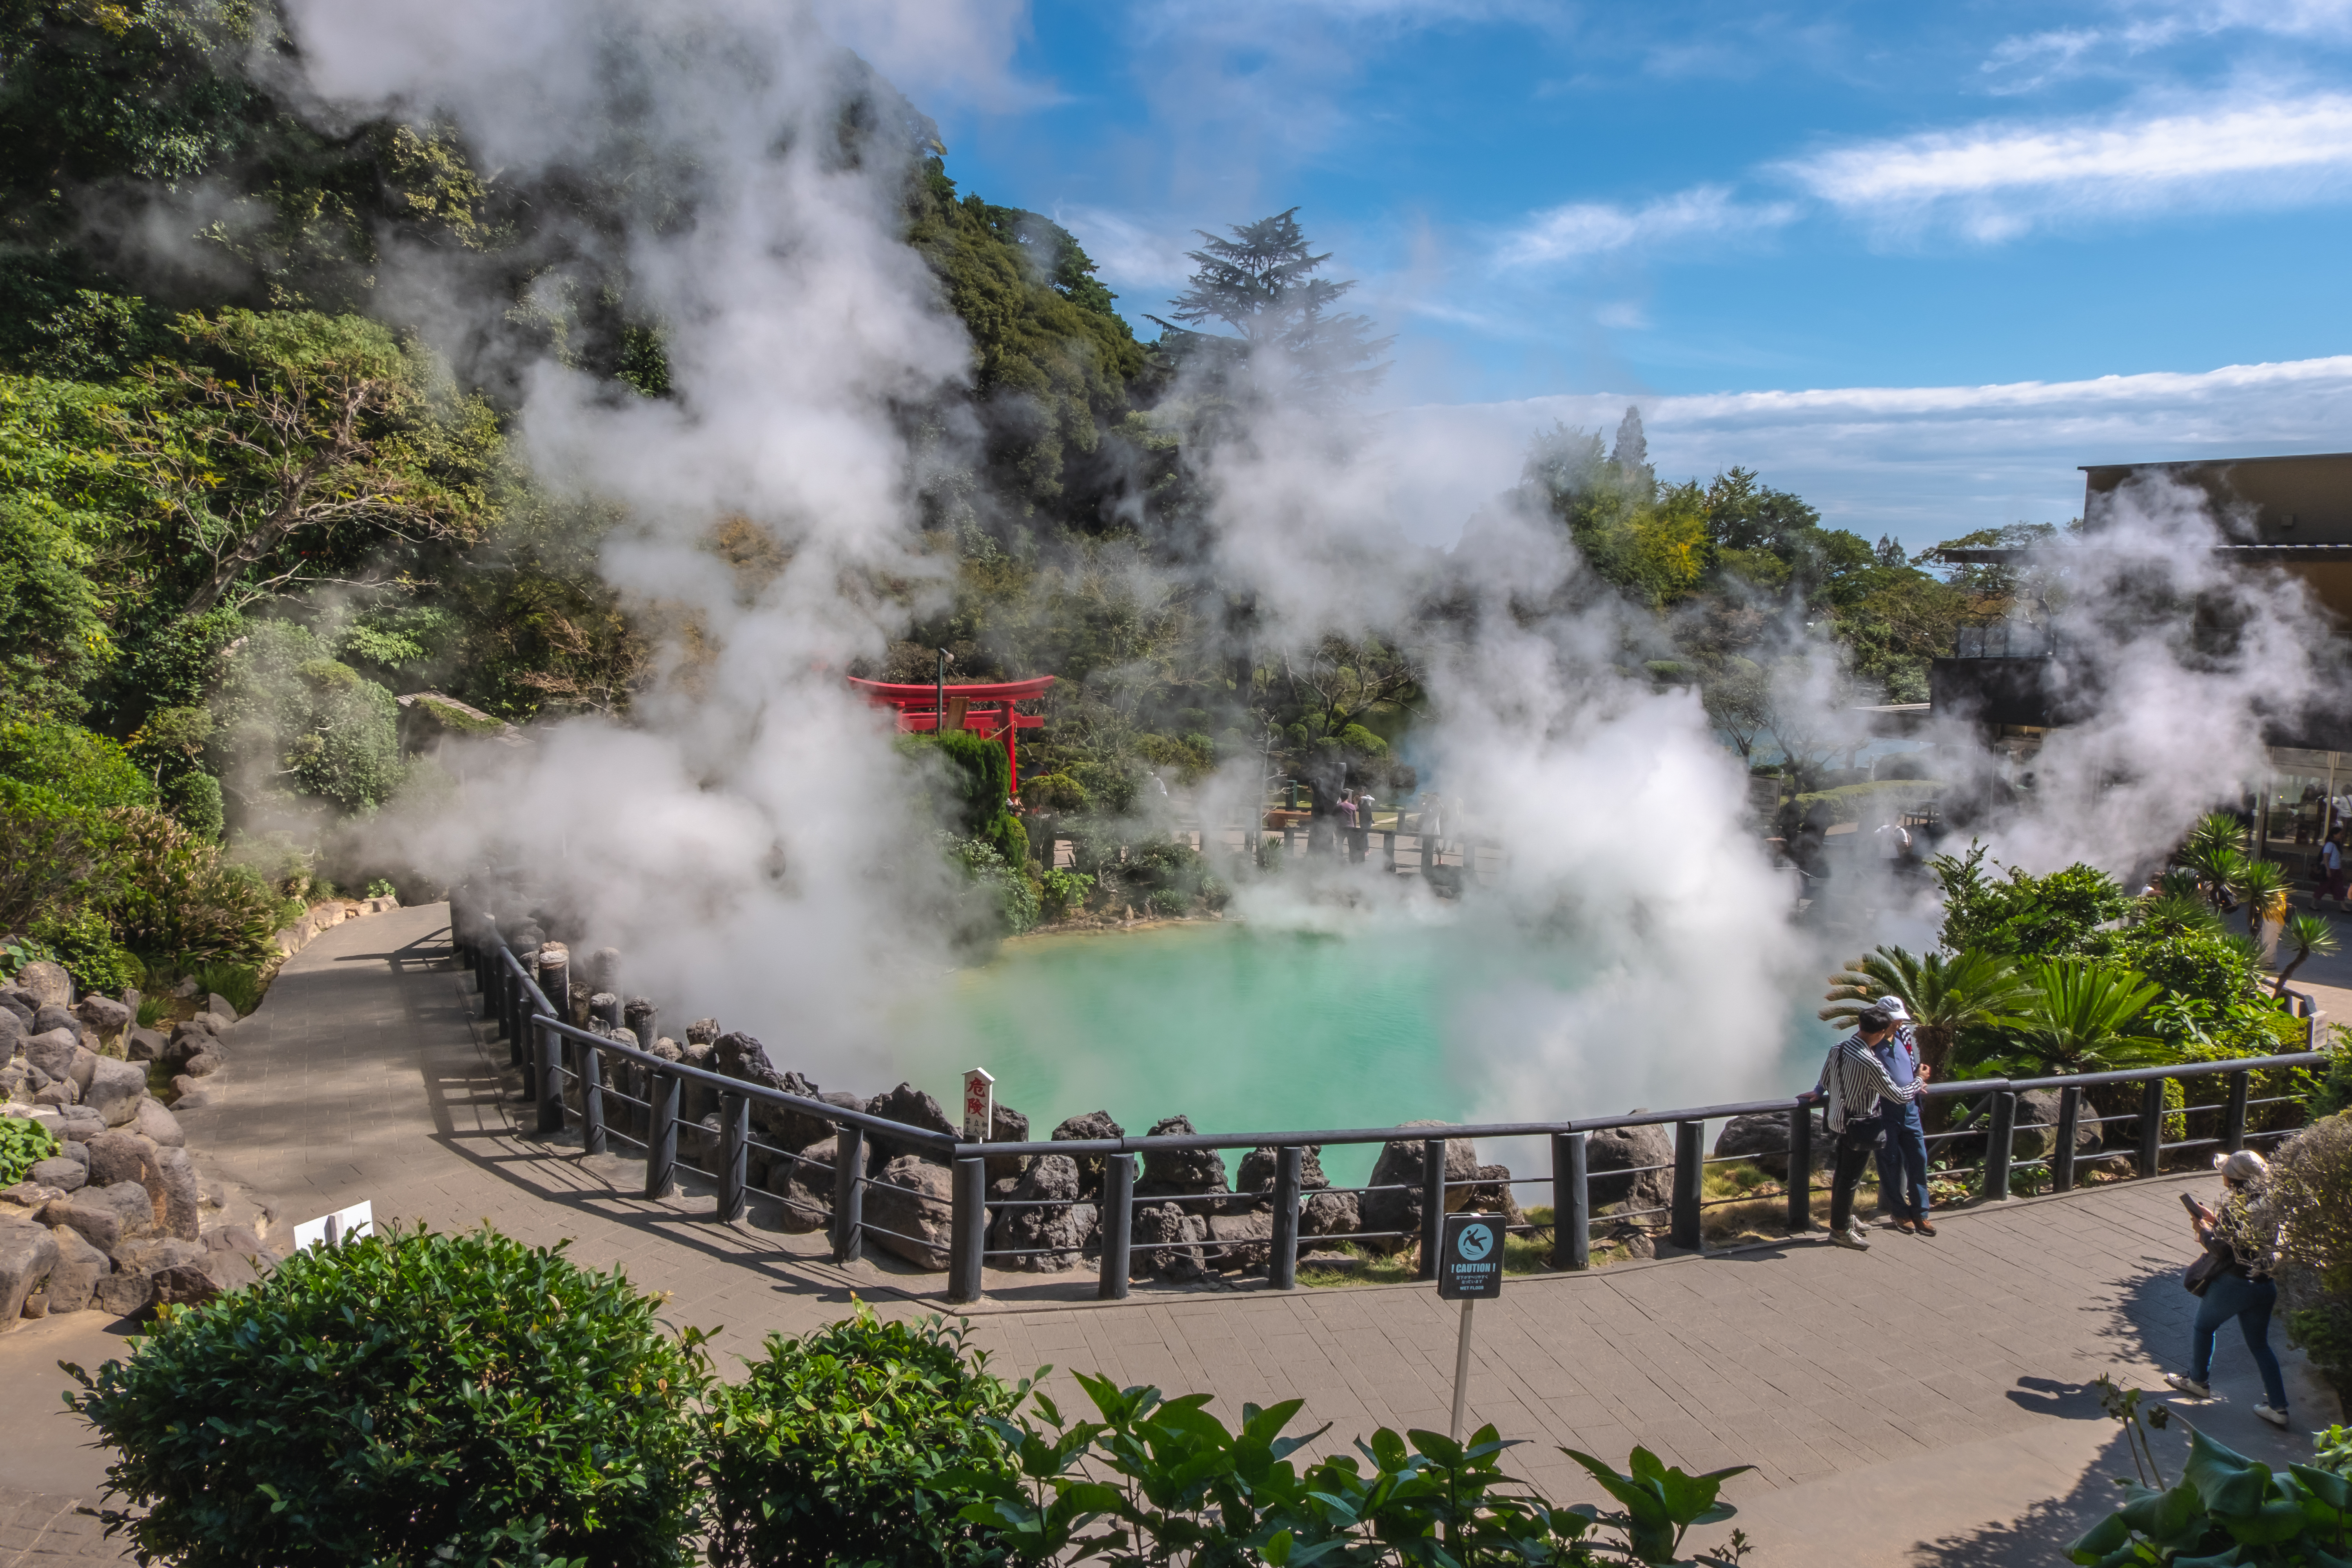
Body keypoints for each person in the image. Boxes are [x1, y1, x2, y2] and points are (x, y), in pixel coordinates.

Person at [2165, 1150, 2290, 1427]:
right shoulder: (2270, 1203)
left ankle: (2198, 1381)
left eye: (2225, 1171)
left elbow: (2223, 1250)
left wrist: (2203, 1231)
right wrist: (2215, 1221)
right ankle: (2279, 1408)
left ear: (2233, 1179)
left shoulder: (2237, 1208)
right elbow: (2245, 1240)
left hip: (2235, 1283)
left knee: (2203, 1327)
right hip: (2264, 1284)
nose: (2222, 1175)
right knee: (2260, 1345)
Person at [1816, 1006, 1928, 1251]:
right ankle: (1840, 1231)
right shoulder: (1870, 1061)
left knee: (1842, 1175)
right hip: (1861, 1125)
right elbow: (1898, 1096)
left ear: (1859, 1025)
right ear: (1879, 1033)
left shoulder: (1838, 1048)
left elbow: (1826, 1079)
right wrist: (1919, 1080)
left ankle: (1844, 1219)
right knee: (1850, 1179)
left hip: (1837, 1120)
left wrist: (1817, 1094)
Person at [1869, 998, 1935, 1236]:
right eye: (1894, 1020)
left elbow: (1910, 1060)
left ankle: (1921, 1212)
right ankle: (1899, 1212)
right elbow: (1843, 1063)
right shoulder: (1870, 1041)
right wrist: (1819, 1090)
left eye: (1899, 1020)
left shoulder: (1903, 1034)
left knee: (1918, 1158)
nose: (1898, 1024)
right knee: (1890, 1162)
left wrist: (1918, 1078)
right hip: (1884, 1110)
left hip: (1910, 1109)